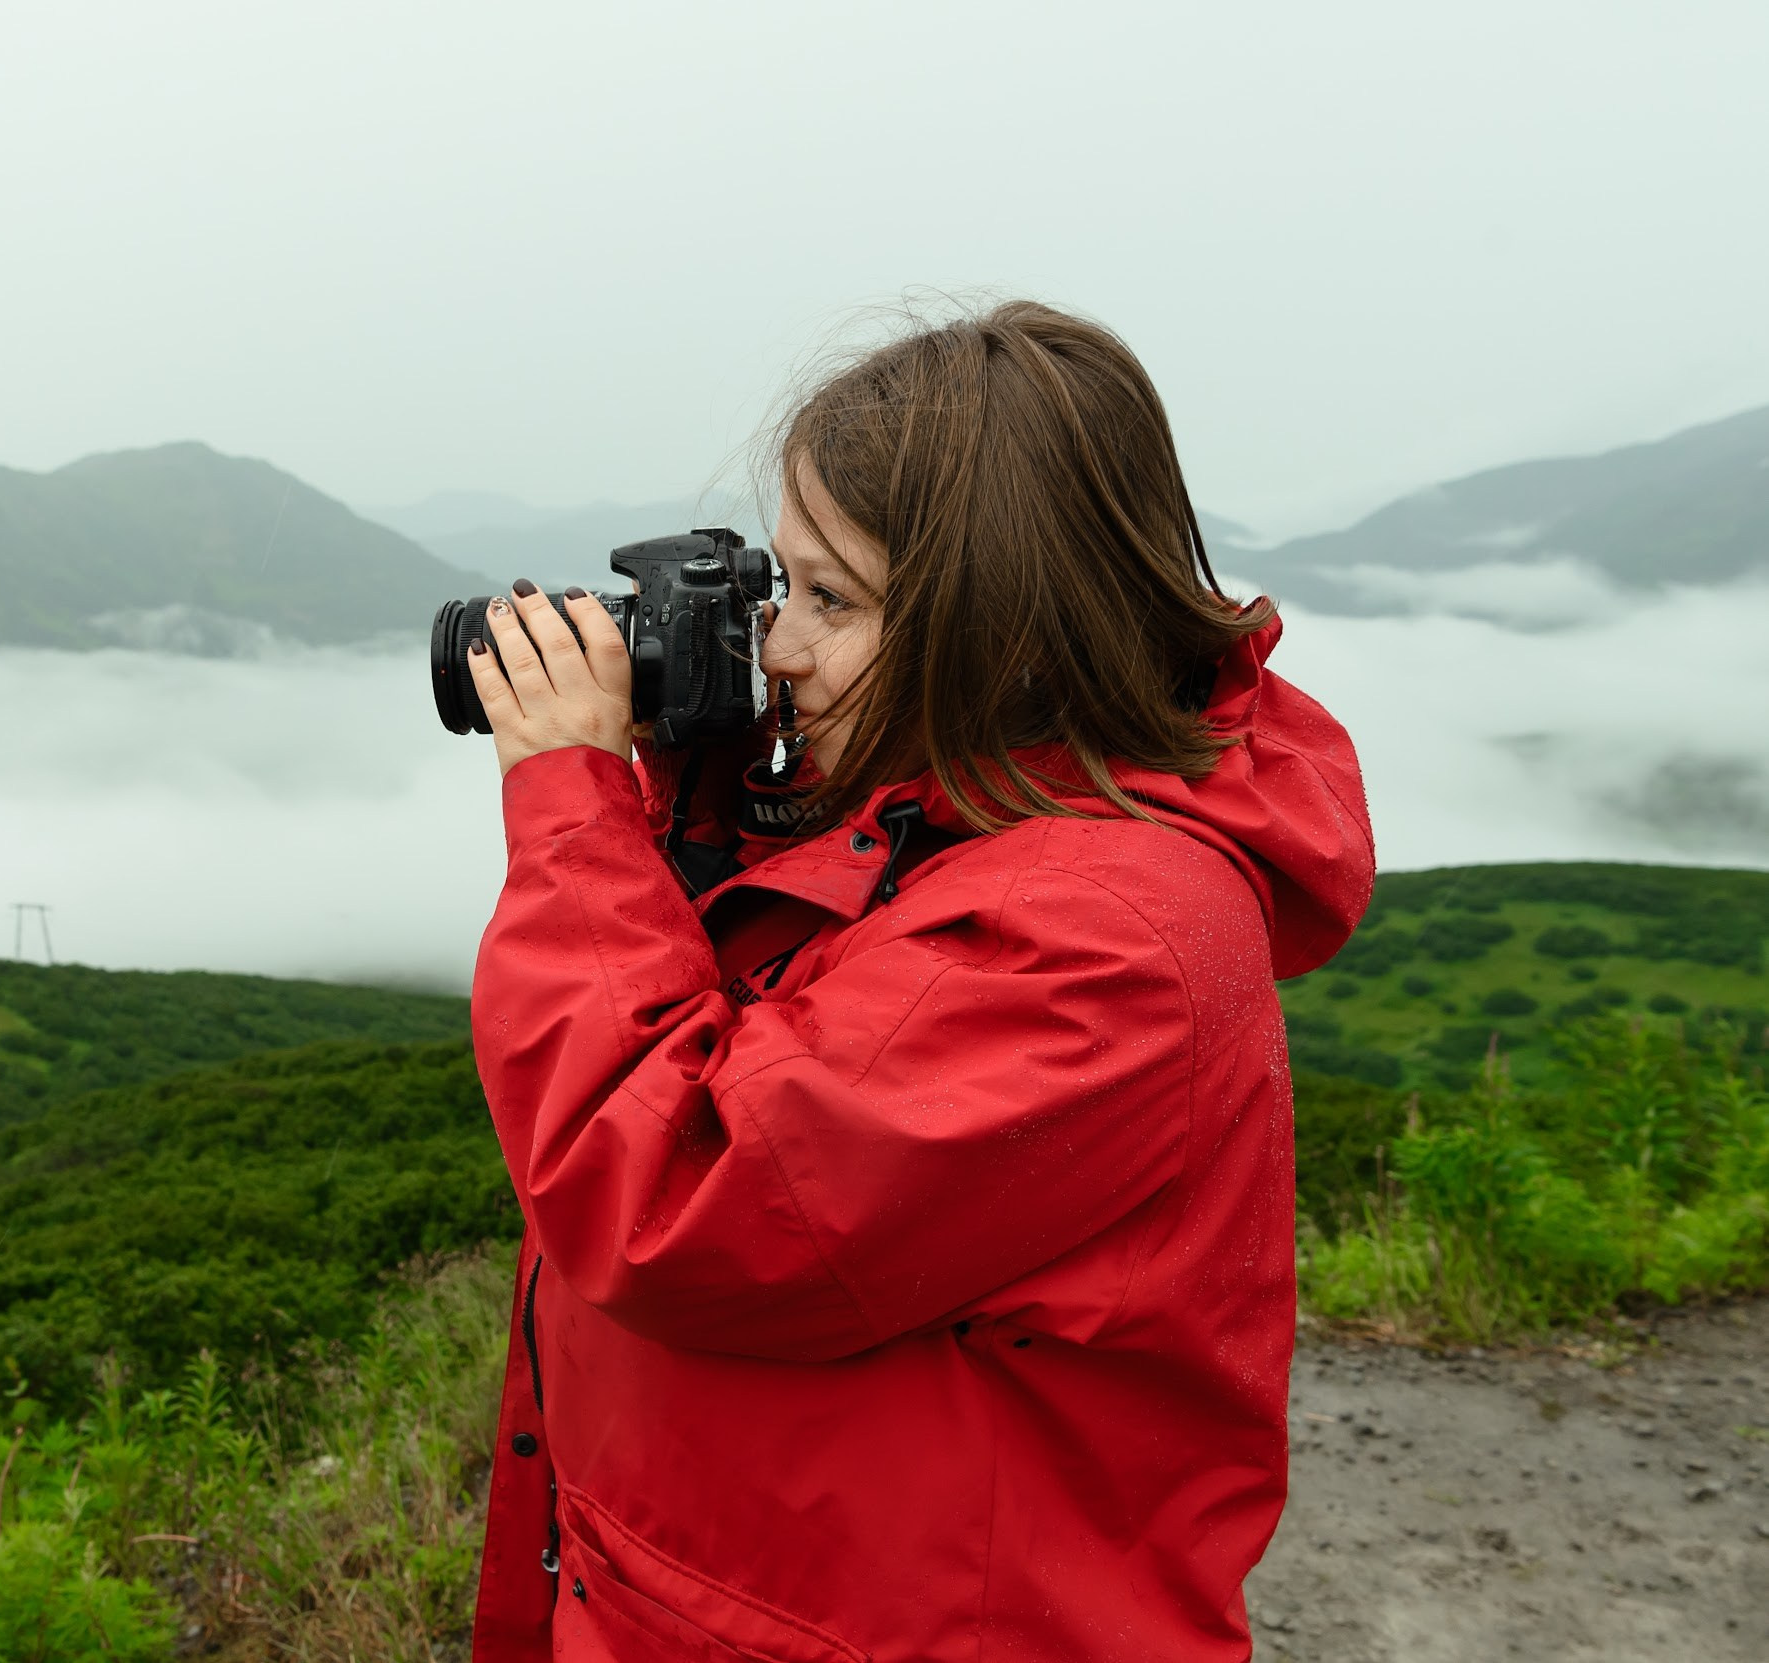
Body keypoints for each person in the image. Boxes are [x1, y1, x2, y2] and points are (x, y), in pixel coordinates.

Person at [458, 300, 1373, 1662]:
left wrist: (573, 811)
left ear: (1003, 629)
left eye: (832, 599)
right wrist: (698, 800)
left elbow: (677, 1197)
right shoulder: (929, 820)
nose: (778, 649)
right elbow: (771, 1052)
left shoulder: (1098, 939)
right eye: (781, 588)